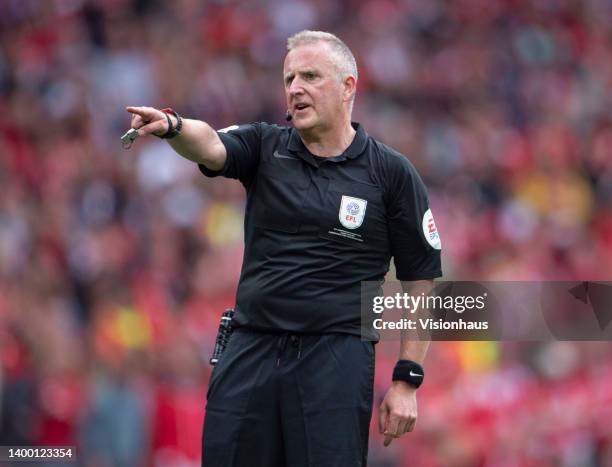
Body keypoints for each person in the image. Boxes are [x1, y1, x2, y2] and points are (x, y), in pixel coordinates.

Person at [126, 30, 442, 467]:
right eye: (289, 78)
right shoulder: (265, 145)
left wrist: (407, 379)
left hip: (335, 361)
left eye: (310, 76)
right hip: (251, 350)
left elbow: (420, 282)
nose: (295, 88)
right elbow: (213, 143)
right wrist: (174, 126)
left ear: (348, 86)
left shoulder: (391, 174)